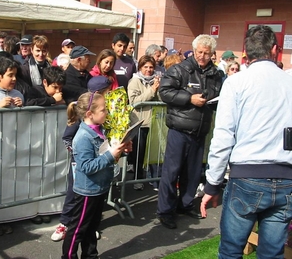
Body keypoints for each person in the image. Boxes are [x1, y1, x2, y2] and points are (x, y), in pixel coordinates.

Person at [201, 25, 292, 258]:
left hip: (248, 176)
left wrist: (212, 183)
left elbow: (223, 136)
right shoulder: (287, 82)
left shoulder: (236, 82)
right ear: (274, 50)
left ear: (246, 52)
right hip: (283, 176)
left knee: (231, 251)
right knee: (272, 254)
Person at [156, 34, 223, 229]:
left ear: (212, 54)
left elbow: (219, 93)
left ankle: (185, 205)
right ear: (193, 51)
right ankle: (165, 211)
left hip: (200, 129)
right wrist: (189, 98)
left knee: (192, 173)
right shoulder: (179, 69)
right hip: (179, 128)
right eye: (199, 52)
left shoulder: (216, 74)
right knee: (172, 172)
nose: (202, 56)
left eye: (206, 53)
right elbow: (164, 92)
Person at [61, 91, 131, 259]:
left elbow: (106, 156)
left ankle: (90, 255)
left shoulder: (101, 130)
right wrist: (110, 155)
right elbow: (86, 166)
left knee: (92, 227)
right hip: (87, 191)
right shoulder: (83, 137)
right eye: (103, 110)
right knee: (78, 228)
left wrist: (122, 150)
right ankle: (68, 256)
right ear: (89, 114)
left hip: (99, 187)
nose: (107, 112)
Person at [51, 76, 112, 242]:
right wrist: (78, 154)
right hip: (80, 168)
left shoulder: (101, 119)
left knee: (92, 207)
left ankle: (89, 230)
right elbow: (68, 139)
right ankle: (65, 224)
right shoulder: (82, 121)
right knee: (74, 196)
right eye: (107, 93)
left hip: (97, 170)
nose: (110, 96)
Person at [127, 55, 161, 191]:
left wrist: (158, 89)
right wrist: (151, 90)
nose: (148, 70)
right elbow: (135, 102)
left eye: (151, 67)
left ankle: (153, 178)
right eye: (145, 67)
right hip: (139, 122)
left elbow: (160, 99)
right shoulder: (134, 81)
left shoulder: (157, 80)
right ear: (140, 67)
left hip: (153, 122)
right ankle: (137, 178)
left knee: (153, 153)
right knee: (138, 154)